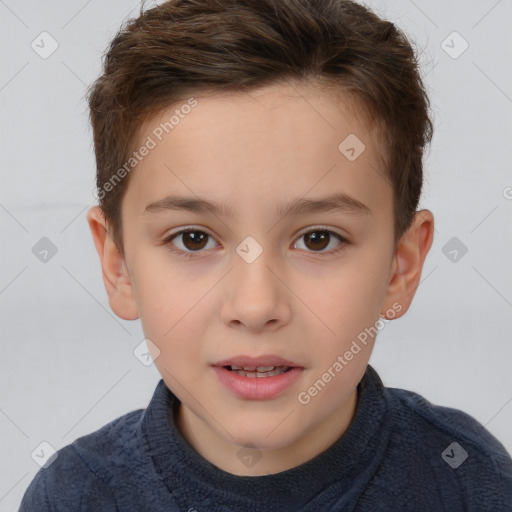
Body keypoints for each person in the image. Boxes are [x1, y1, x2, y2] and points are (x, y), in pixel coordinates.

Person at [19, 0, 512, 510]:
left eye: (318, 239)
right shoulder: (74, 496)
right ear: (118, 264)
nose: (255, 307)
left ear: (400, 265)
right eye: (193, 239)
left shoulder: (471, 484)